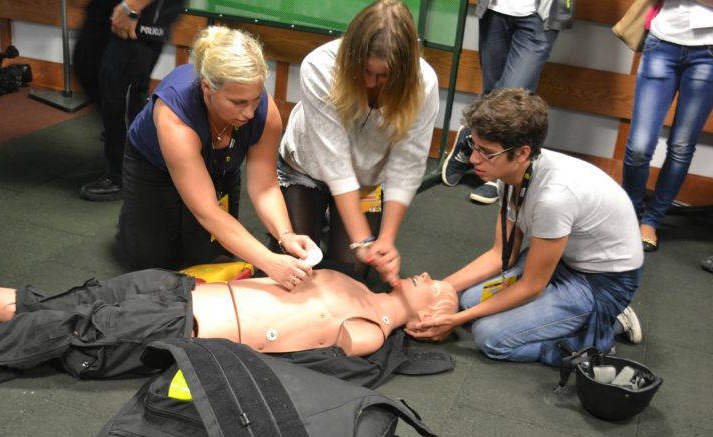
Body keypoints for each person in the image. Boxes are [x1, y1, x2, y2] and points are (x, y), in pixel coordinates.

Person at [407, 89, 644, 366]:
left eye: (486, 152)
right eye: (474, 145)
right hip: (565, 260)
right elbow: (501, 254)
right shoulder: (509, 171)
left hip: (602, 283)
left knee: (489, 337)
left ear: (522, 153)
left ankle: (602, 329)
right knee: (469, 299)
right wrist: (438, 288)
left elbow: (532, 285)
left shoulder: (554, 198)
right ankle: (573, 320)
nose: (473, 160)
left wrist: (455, 320)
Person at [0, 269, 457, 384]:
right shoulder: (356, 282)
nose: (430, 277)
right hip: (178, 288)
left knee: (54, 330)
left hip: (180, 322)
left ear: (428, 320)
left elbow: (314, 362)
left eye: (437, 289)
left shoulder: (368, 331)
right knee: (53, 304)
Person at [118, 26, 316, 291]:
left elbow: (265, 187)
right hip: (154, 166)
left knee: (211, 259)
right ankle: (133, 217)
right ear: (206, 88)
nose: (249, 113)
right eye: (238, 102)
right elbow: (208, 212)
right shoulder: (175, 116)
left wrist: (286, 235)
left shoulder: (264, 113)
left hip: (220, 166)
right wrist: (270, 262)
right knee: (155, 267)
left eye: (255, 99)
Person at [275, 0, 440, 286]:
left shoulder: (423, 83)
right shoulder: (320, 66)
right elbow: (335, 162)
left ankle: (337, 225)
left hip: (367, 179)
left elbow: (408, 164)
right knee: (300, 264)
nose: (371, 82)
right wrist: (362, 240)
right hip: (306, 167)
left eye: (383, 76)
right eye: (364, 71)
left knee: (349, 276)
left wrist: (385, 240)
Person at [442, 0, 574, 205]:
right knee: (491, 93)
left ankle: (495, 173)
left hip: (539, 17)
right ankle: (472, 142)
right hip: (495, 9)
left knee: (513, 98)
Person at [621, 0, 713, 253]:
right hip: (662, 42)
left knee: (681, 146)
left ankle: (651, 221)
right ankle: (628, 213)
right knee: (639, 146)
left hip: (708, 53)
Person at [73, 0, 185, 201]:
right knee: (87, 63)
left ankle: (126, 172)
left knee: (122, 81)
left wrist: (132, 7)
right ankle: (129, 137)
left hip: (145, 8)